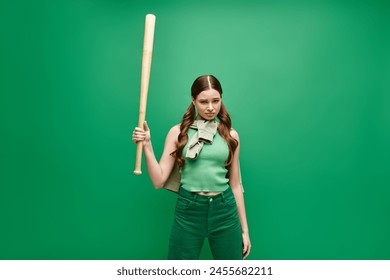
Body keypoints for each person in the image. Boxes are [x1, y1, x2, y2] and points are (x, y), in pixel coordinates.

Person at [132, 74, 251, 260]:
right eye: (204, 101)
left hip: (224, 210)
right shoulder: (177, 133)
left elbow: (236, 185)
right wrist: (147, 146)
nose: (211, 107)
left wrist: (245, 231)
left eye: (216, 101)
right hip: (189, 211)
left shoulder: (231, 135)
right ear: (193, 100)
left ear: (221, 99)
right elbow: (158, 180)